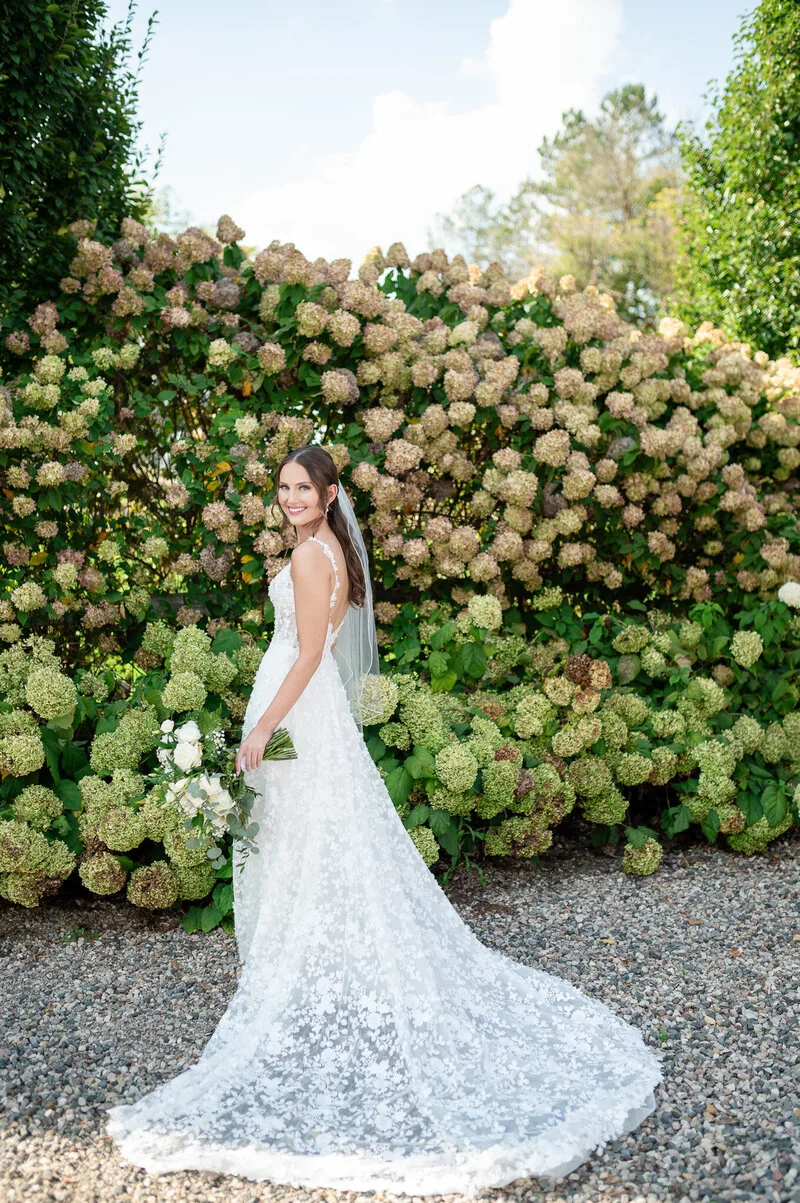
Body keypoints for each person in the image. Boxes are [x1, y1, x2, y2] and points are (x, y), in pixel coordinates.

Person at [106, 444, 663, 1195]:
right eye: (283, 487)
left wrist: (263, 725)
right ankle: (311, 962)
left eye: (303, 487)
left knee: (302, 841)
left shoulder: (310, 557)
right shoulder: (329, 549)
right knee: (318, 842)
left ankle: (298, 970)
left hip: (297, 709)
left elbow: (306, 654)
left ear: (331, 492)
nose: (291, 497)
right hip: (319, 715)